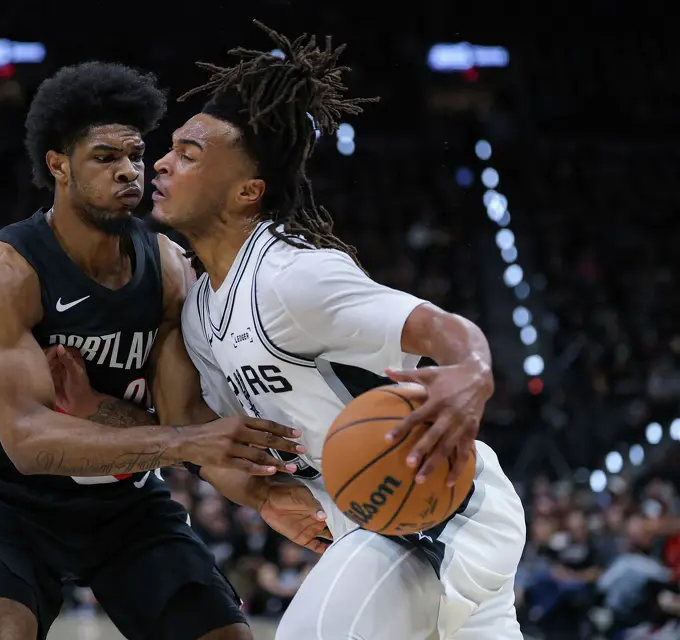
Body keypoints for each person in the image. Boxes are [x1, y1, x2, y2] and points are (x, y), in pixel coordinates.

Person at [148, 21, 528, 639]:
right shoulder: (201, 311)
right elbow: (199, 429)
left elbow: (442, 329)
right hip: (382, 522)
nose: (162, 162)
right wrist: (266, 497)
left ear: (247, 191)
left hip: (438, 516)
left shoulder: (292, 277)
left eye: (188, 154)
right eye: (170, 149)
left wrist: (473, 375)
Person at [0, 60, 314, 640]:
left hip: (128, 502)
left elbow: (179, 420)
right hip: (14, 503)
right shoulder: (3, 272)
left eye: (136, 157)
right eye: (105, 158)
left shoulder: (169, 266)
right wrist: (187, 442)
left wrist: (264, 493)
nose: (129, 172)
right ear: (58, 165)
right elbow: (28, 443)